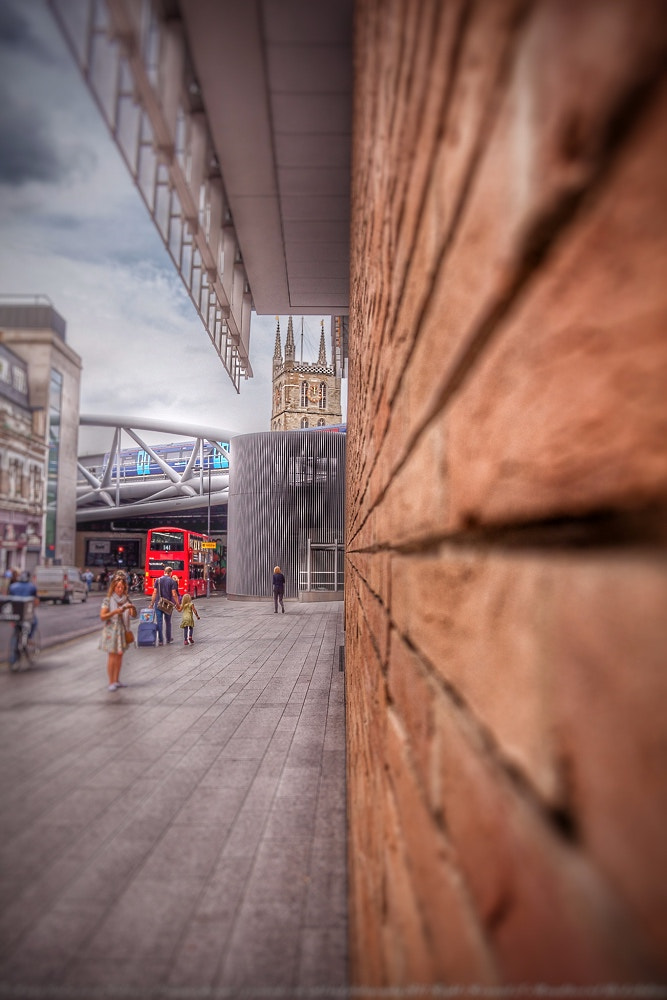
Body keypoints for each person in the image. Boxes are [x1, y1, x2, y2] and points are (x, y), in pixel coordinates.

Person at [99, 572, 137, 691]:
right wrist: (115, 612)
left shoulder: (126, 599)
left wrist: (132, 608)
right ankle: (111, 682)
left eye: (122, 587)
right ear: (113, 587)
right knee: (112, 656)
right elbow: (103, 616)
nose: (120, 589)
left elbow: (134, 615)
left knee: (120, 655)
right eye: (118, 587)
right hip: (112, 629)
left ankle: (116, 680)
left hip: (123, 629)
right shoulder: (108, 600)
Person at [150, 565, 181, 645]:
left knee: (159, 622)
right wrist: (177, 604)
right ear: (171, 573)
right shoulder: (172, 581)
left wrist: (151, 603)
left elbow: (154, 592)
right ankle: (168, 638)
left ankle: (160, 640)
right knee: (168, 622)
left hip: (158, 603)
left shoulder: (158, 580)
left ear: (164, 572)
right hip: (168, 605)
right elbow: (174, 594)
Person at [9, 570, 39, 637]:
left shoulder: (13, 586)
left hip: (15, 612)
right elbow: (36, 600)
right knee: (34, 622)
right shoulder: (32, 587)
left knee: (17, 624)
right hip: (26, 612)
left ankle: (18, 636)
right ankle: (29, 638)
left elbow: (9, 599)